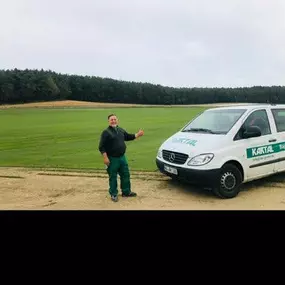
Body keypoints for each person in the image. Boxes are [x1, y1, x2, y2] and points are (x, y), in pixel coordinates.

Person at [98, 114, 144, 202]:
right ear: (109, 121)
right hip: (112, 158)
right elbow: (101, 147)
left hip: (122, 157)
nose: (113, 121)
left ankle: (126, 192)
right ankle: (113, 194)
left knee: (125, 174)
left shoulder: (120, 130)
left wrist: (138, 134)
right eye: (111, 119)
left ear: (117, 120)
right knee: (113, 176)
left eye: (115, 119)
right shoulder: (106, 132)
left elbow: (128, 137)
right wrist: (105, 158)